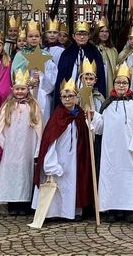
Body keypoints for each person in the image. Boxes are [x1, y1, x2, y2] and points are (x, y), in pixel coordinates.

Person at [92, 64, 133, 223]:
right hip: (110, 151)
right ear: (114, 84)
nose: (121, 86)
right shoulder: (107, 105)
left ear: (129, 85)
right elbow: (101, 128)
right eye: (118, 83)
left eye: (124, 83)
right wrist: (94, 117)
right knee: (110, 178)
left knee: (129, 180)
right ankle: (111, 209)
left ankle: (128, 210)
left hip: (130, 151)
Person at [31, 80, 95, 222]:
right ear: (60, 98)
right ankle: (53, 212)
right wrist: (51, 163)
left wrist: (92, 119)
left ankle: (73, 212)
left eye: (71, 96)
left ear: (77, 97)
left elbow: (93, 129)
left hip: (76, 159)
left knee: (74, 183)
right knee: (57, 184)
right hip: (59, 158)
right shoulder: (57, 116)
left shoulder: (81, 115)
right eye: (64, 97)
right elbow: (50, 141)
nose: (68, 99)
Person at [0, 71, 43, 216]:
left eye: (23, 89)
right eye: (17, 89)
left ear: (28, 89)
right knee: (11, 175)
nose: (20, 92)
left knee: (25, 175)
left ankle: (24, 204)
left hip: (27, 148)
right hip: (10, 149)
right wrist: (4, 144)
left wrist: (37, 150)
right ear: (12, 89)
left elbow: (39, 130)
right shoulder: (7, 106)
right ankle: (12, 203)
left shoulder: (34, 107)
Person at [55, 20, 107, 113]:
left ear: (89, 36)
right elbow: (61, 78)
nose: (82, 37)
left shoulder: (95, 53)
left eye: (85, 34)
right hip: (70, 95)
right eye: (79, 34)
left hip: (89, 95)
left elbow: (101, 77)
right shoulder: (67, 53)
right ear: (74, 36)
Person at [12, 21, 58, 125]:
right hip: (25, 96)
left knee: (42, 123)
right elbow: (15, 74)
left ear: (40, 38)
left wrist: (41, 77)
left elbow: (52, 76)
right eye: (31, 36)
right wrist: (27, 83)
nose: (34, 38)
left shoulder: (46, 55)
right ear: (26, 38)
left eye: (36, 36)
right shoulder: (20, 56)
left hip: (42, 95)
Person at [93, 17, 119, 96]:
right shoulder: (92, 48)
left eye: (107, 31)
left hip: (109, 79)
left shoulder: (113, 50)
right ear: (97, 33)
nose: (104, 34)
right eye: (102, 31)